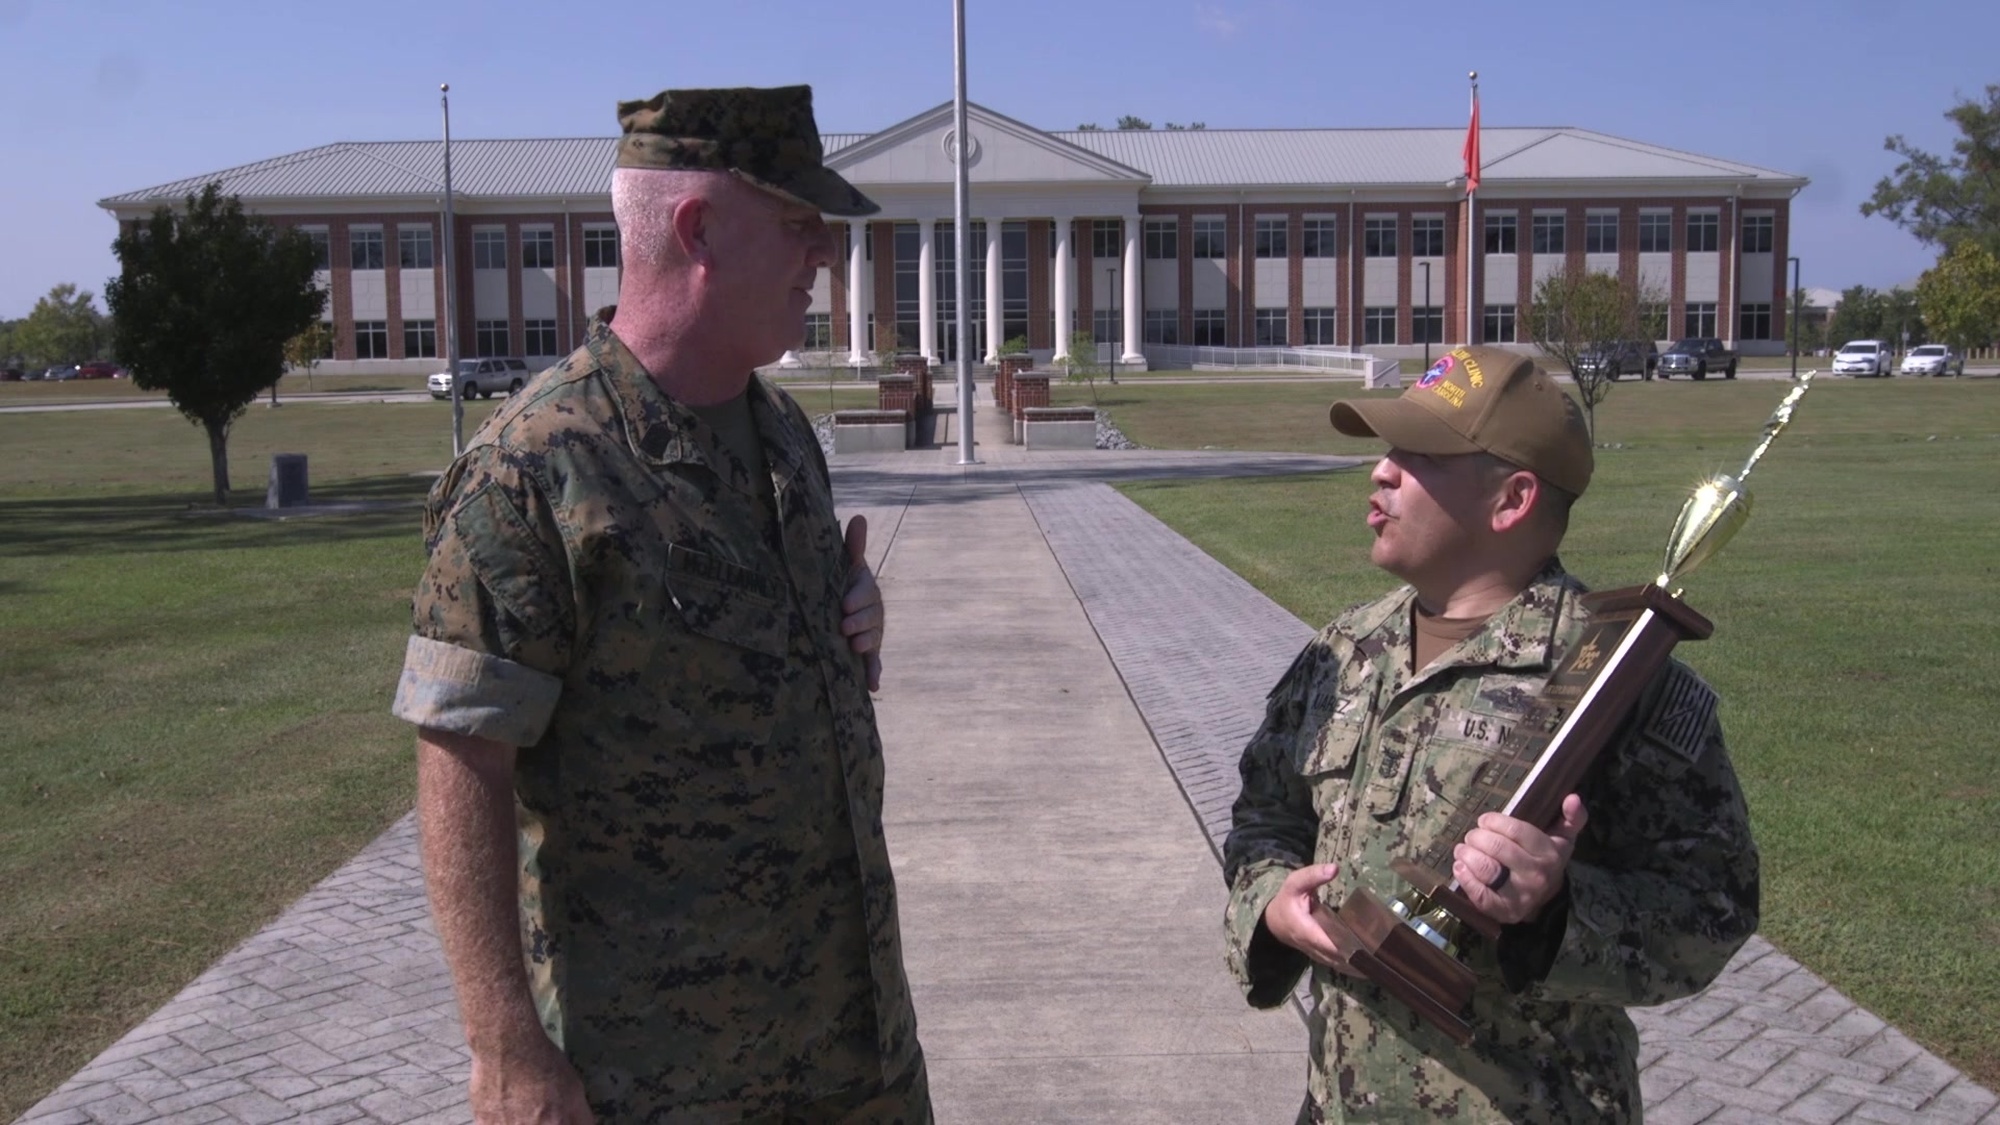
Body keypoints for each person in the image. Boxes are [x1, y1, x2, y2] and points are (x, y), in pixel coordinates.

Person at [391, 85, 929, 1124]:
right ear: (699, 232)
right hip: (660, 1076)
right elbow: (462, 755)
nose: (822, 255)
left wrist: (847, 609)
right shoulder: (534, 472)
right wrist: (503, 1046)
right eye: (797, 226)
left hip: (854, 1049)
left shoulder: (779, 435)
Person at [1222, 347, 1759, 1123]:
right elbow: (1265, 815)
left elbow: (1713, 907)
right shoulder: (1341, 652)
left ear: (1512, 498)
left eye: (1418, 454)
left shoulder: (1616, 678)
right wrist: (1271, 904)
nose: (1381, 471)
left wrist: (1557, 907)